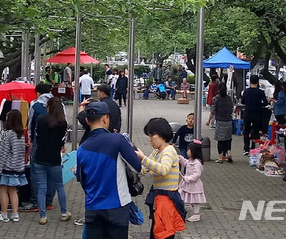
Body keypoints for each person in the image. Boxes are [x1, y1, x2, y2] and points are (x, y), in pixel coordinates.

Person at [77, 101, 141, 238]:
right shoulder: (117, 140)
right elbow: (137, 166)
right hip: (117, 207)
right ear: (106, 118)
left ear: (87, 121)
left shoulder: (81, 148)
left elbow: (82, 179)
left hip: (93, 207)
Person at [135, 117, 186, 239]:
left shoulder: (168, 151)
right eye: (149, 135)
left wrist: (143, 158)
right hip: (159, 199)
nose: (150, 139)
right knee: (156, 232)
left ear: (163, 135)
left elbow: (163, 169)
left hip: (167, 200)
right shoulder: (157, 152)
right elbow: (144, 169)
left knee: (163, 234)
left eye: (153, 135)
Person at [32, 97, 70, 225]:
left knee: (41, 187)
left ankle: (43, 216)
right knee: (59, 185)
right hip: (54, 159)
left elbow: (36, 136)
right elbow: (62, 141)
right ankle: (64, 213)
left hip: (40, 157)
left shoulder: (41, 120)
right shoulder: (63, 123)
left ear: (48, 107)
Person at [0, 110, 28, 223]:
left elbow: (3, 154)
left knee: (3, 190)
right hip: (18, 167)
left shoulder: (8, 134)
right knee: (13, 191)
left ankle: (3, 214)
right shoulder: (21, 134)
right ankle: (15, 214)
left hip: (7, 167)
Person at [23, 83, 53, 212]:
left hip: (38, 143)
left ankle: (35, 201)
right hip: (54, 144)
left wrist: (30, 140)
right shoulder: (59, 104)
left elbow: (30, 125)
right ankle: (49, 201)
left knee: (36, 173)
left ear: (38, 93)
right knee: (52, 173)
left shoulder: (35, 105)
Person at [178, 140, 206, 222]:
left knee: (195, 200)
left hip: (194, 185)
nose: (187, 152)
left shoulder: (197, 163)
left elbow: (197, 174)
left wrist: (187, 178)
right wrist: (181, 159)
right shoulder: (190, 160)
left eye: (188, 150)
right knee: (181, 195)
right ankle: (180, 211)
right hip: (187, 183)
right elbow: (186, 163)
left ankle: (196, 214)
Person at [241, 75, 268, 156]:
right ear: (258, 82)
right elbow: (265, 103)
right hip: (257, 113)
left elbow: (243, 101)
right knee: (255, 131)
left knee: (246, 130)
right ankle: (253, 148)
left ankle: (246, 148)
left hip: (247, 113)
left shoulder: (246, 91)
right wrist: (260, 104)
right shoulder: (260, 92)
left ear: (250, 82)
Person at [207, 83, 234, 163]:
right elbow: (231, 109)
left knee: (220, 140)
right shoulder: (229, 98)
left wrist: (208, 120)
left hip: (220, 121)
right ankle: (228, 153)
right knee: (228, 139)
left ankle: (220, 157)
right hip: (228, 121)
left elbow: (212, 111)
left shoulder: (216, 99)